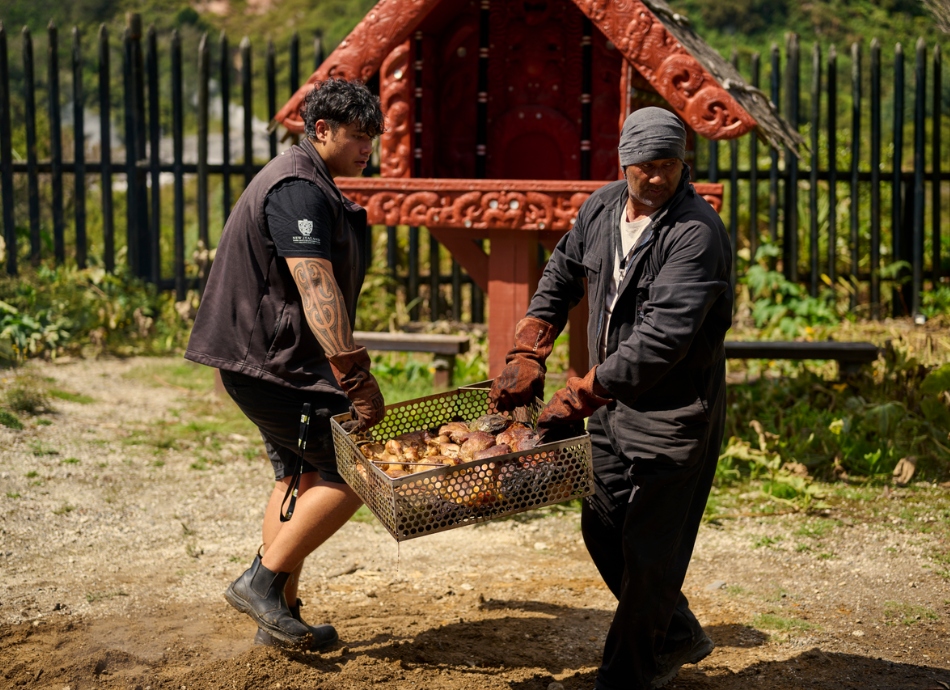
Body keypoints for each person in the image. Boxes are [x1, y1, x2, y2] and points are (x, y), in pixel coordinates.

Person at [489, 107, 733, 689]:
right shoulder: (600, 208)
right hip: (612, 409)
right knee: (602, 527)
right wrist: (529, 347)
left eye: (668, 166)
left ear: (683, 165)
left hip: (675, 412)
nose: (656, 178)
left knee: (651, 551)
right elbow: (560, 276)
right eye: (645, 167)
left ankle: (626, 675)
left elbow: (663, 338)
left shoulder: (695, 232)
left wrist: (581, 395)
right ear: (623, 163)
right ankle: (675, 633)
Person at [184, 78, 386, 651]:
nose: (367, 146)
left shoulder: (305, 177)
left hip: (271, 362)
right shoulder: (298, 187)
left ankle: (280, 617)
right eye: (358, 134)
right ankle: (262, 583)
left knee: (297, 477)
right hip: (273, 366)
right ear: (320, 130)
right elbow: (314, 281)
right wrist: (355, 376)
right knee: (353, 471)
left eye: (373, 134)